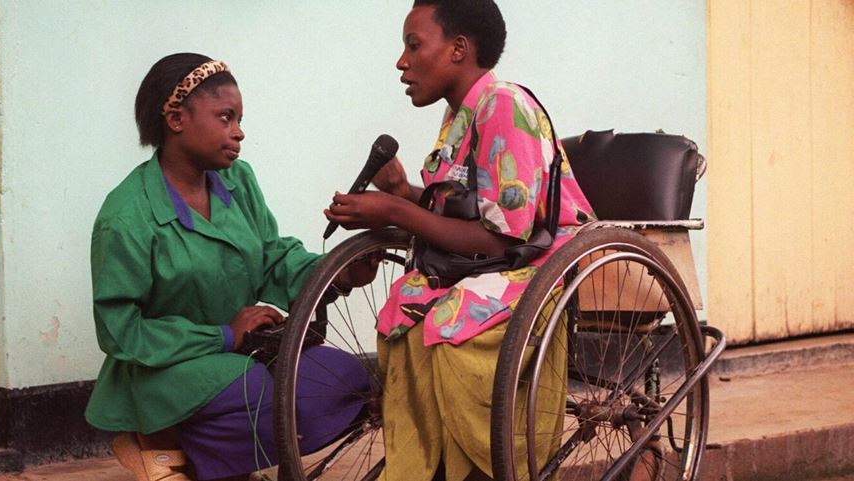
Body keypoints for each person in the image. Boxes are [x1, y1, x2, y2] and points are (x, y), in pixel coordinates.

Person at [322, 1, 595, 480]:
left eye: (413, 45)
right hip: (487, 266)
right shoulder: (460, 115)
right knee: (402, 311)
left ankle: (486, 466)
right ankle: (428, 466)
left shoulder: (505, 106)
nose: (401, 62)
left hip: (536, 264)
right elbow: (466, 209)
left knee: (449, 326)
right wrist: (401, 194)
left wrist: (394, 211)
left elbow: (503, 238)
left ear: (458, 49)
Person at [85, 53, 376, 481]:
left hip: (243, 355)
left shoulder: (238, 181)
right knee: (265, 394)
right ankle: (161, 441)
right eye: (225, 117)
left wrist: (339, 271)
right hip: (161, 371)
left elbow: (273, 257)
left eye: (239, 118)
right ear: (177, 118)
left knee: (346, 379)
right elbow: (119, 329)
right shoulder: (127, 215)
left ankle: (216, 460)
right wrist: (222, 334)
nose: (239, 132)